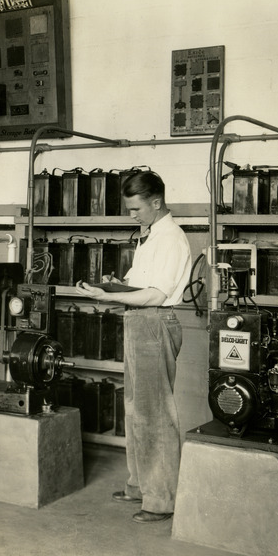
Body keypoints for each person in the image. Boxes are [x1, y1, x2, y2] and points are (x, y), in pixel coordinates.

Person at [75, 170, 192, 524]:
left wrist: (107, 295)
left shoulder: (171, 239)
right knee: (135, 408)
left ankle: (161, 499)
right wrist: (114, 286)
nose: (132, 216)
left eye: (136, 209)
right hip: (139, 321)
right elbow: (139, 284)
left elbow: (157, 294)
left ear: (156, 203)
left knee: (155, 412)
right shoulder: (150, 235)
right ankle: (139, 485)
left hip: (156, 322)